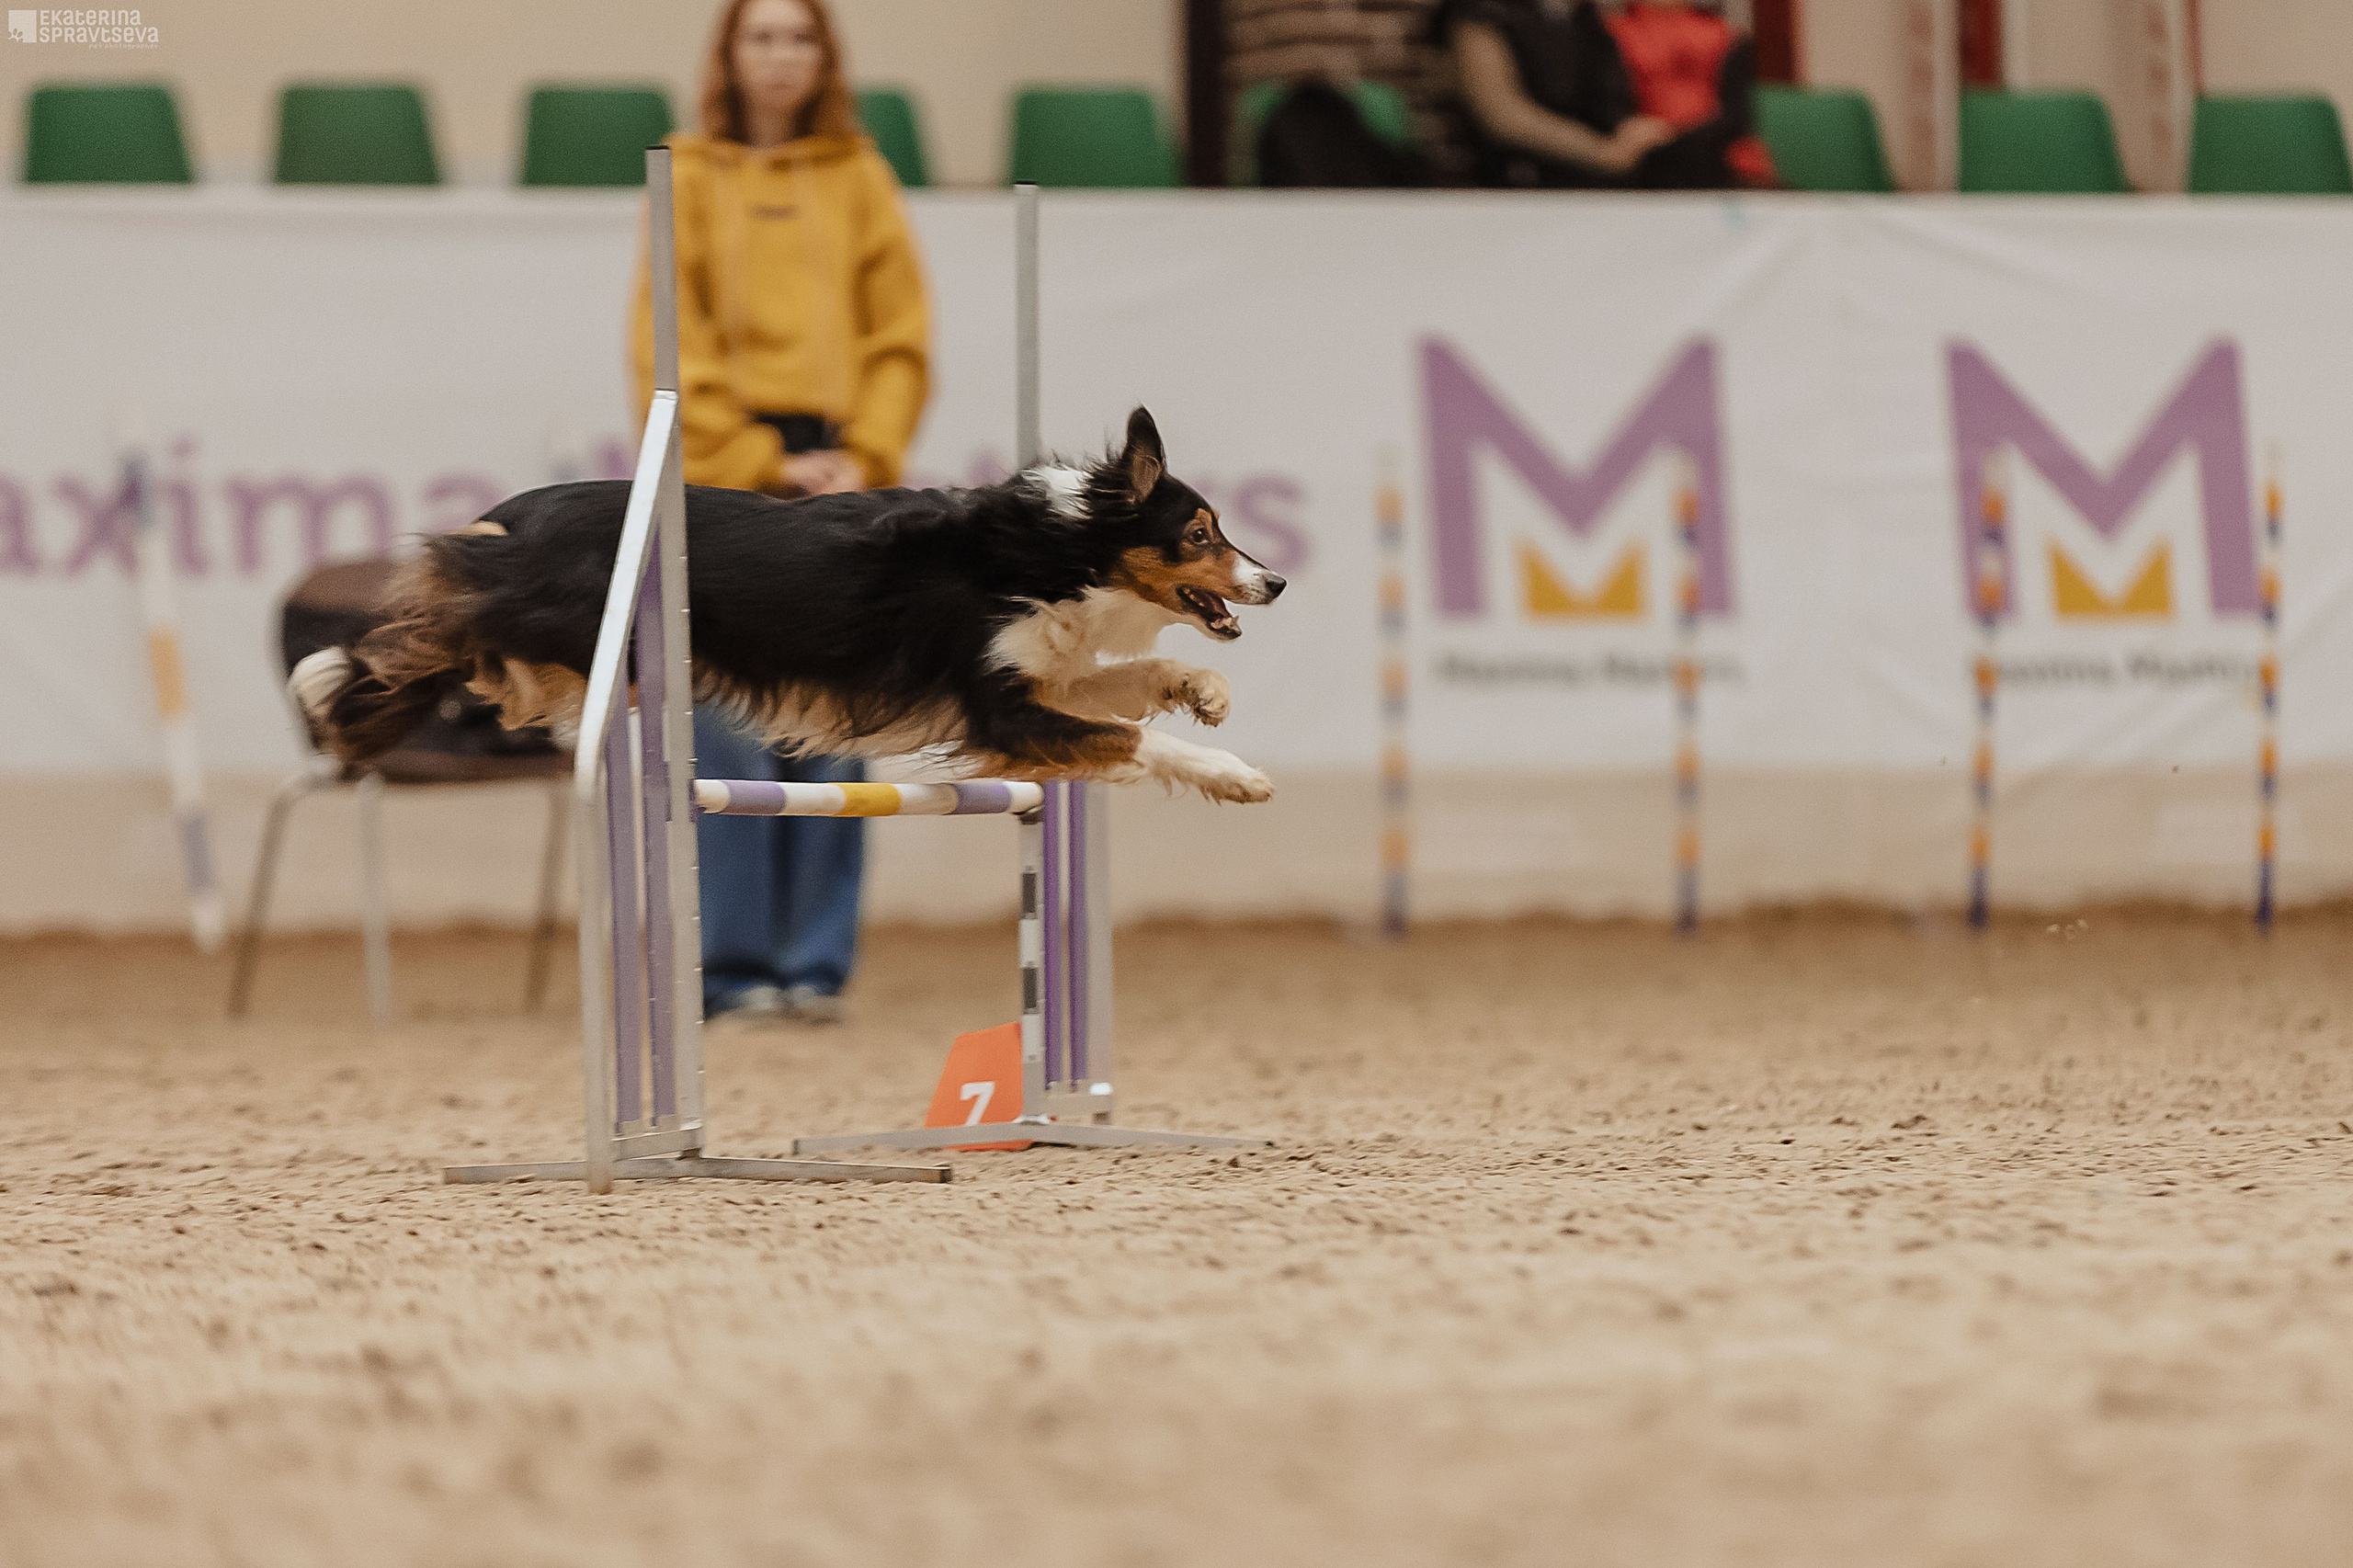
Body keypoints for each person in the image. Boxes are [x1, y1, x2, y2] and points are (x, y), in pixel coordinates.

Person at [631, 0, 929, 1024]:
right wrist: (759, 458)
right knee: (724, 715)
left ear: (824, 59)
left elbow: (900, 335)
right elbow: (665, 335)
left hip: (843, 468)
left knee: (836, 713)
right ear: (729, 55)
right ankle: (733, 965)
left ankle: (814, 964)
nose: (780, 56)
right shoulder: (684, 170)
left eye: (799, 37)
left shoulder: (860, 174)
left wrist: (867, 455)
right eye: (760, 36)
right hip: (729, 467)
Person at [1438, 0, 1775, 189]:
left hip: (1603, 169)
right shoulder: (1481, 14)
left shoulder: (1581, 16)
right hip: (1519, 178)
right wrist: (1600, 152)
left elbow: (1608, 93)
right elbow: (1504, 117)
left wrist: (1628, 132)